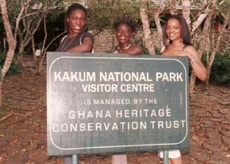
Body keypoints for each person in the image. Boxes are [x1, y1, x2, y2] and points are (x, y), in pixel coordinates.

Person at [160, 15, 207, 164]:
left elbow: (203, 75)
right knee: (164, 148)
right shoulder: (165, 48)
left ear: (182, 29)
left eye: (175, 27)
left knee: (172, 146)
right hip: (162, 102)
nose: (170, 30)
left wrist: (188, 56)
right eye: (168, 27)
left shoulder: (188, 48)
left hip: (175, 104)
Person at [55, 3, 94, 164]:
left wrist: (60, 56)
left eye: (82, 19)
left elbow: (86, 48)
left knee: (73, 138)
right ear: (68, 20)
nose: (78, 22)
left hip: (79, 96)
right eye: (75, 18)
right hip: (64, 95)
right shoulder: (64, 39)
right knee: (67, 139)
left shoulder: (85, 37)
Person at [112, 15, 143, 164]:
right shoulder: (114, 53)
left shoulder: (134, 48)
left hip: (132, 102)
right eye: (119, 31)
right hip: (117, 101)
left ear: (132, 34)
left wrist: (106, 60)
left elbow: (136, 50)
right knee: (117, 139)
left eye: (126, 31)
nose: (122, 34)